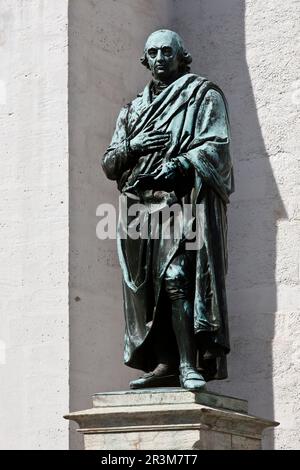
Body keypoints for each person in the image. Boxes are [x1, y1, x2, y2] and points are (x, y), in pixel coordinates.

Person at [102, 30, 234, 390]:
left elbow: (216, 147)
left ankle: (189, 364)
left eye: (167, 51)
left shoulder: (201, 96)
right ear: (145, 60)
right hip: (137, 210)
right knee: (147, 293)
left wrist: (179, 166)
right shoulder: (132, 111)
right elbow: (110, 163)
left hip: (180, 204)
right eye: (153, 53)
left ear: (181, 56)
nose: (160, 58)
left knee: (176, 276)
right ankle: (165, 362)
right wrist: (134, 144)